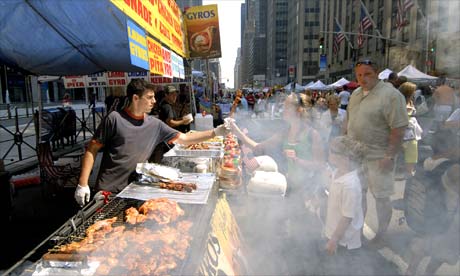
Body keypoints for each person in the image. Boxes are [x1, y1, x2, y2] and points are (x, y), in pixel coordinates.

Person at [74, 79, 229, 206]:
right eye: (149, 97)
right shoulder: (114, 119)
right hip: (107, 191)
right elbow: (92, 149)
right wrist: (83, 183)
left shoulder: (154, 124)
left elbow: (185, 139)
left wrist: (216, 132)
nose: (154, 101)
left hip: (134, 188)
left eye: (154, 97)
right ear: (135, 98)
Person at [346, 58, 408, 246]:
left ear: (377, 73)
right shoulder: (355, 94)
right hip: (356, 155)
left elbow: (399, 128)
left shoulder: (391, 95)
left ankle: (381, 234)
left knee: (381, 197)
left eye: (367, 74)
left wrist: (389, 155)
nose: (363, 79)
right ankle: (359, 231)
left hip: (379, 156)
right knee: (358, 195)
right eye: (359, 75)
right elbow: (348, 120)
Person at [320, 136, 367, 275]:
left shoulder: (350, 185)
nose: (328, 153)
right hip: (333, 232)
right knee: (333, 268)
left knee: (343, 269)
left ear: (345, 158)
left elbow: (347, 217)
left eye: (332, 151)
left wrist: (334, 240)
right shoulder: (337, 173)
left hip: (345, 241)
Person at [399, 82, 423, 177]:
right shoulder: (399, 102)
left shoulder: (410, 101)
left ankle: (409, 170)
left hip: (411, 129)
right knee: (405, 149)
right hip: (403, 127)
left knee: (412, 150)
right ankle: (406, 170)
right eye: (413, 91)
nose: (415, 93)